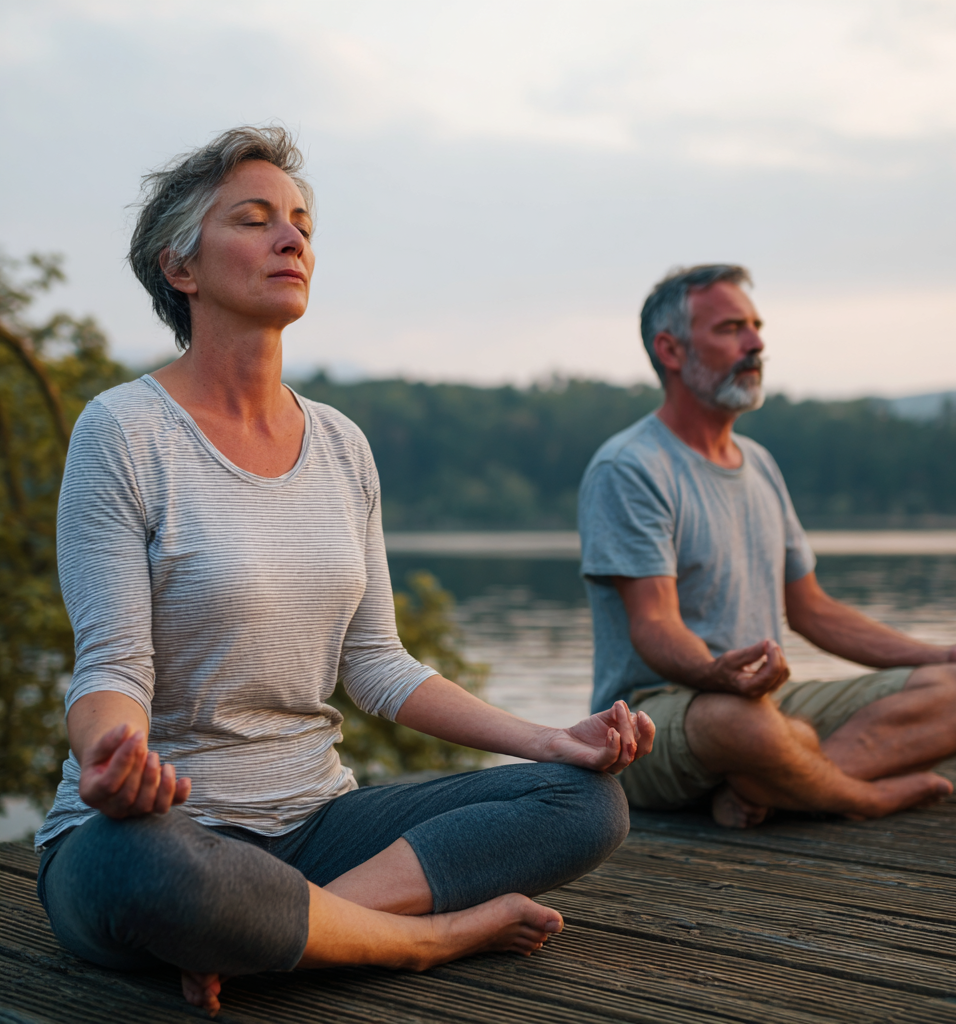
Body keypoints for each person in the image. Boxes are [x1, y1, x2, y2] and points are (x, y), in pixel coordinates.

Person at [35, 126, 655, 1017]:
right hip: (166, 833)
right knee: (148, 869)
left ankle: (282, 931)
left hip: (318, 824)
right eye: (255, 220)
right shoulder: (123, 432)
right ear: (181, 267)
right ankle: (424, 940)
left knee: (584, 804)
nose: (291, 238)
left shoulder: (341, 445)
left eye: (301, 223)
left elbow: (377, 665)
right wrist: (108, 757)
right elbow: (113, 666)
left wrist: (552, 740)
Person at [578, 263, 956, 831]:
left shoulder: (759, 464)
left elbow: (814, 610)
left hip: (763, 702)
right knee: (741, 723)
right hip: (653, 721)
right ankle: (861, 796)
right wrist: (716, 674)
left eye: (756, 327)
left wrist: (949, 654)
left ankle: (770, 784)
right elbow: (654, 624)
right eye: (731, 328)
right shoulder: (630, 467)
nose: (756, 343)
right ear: (671, 350)